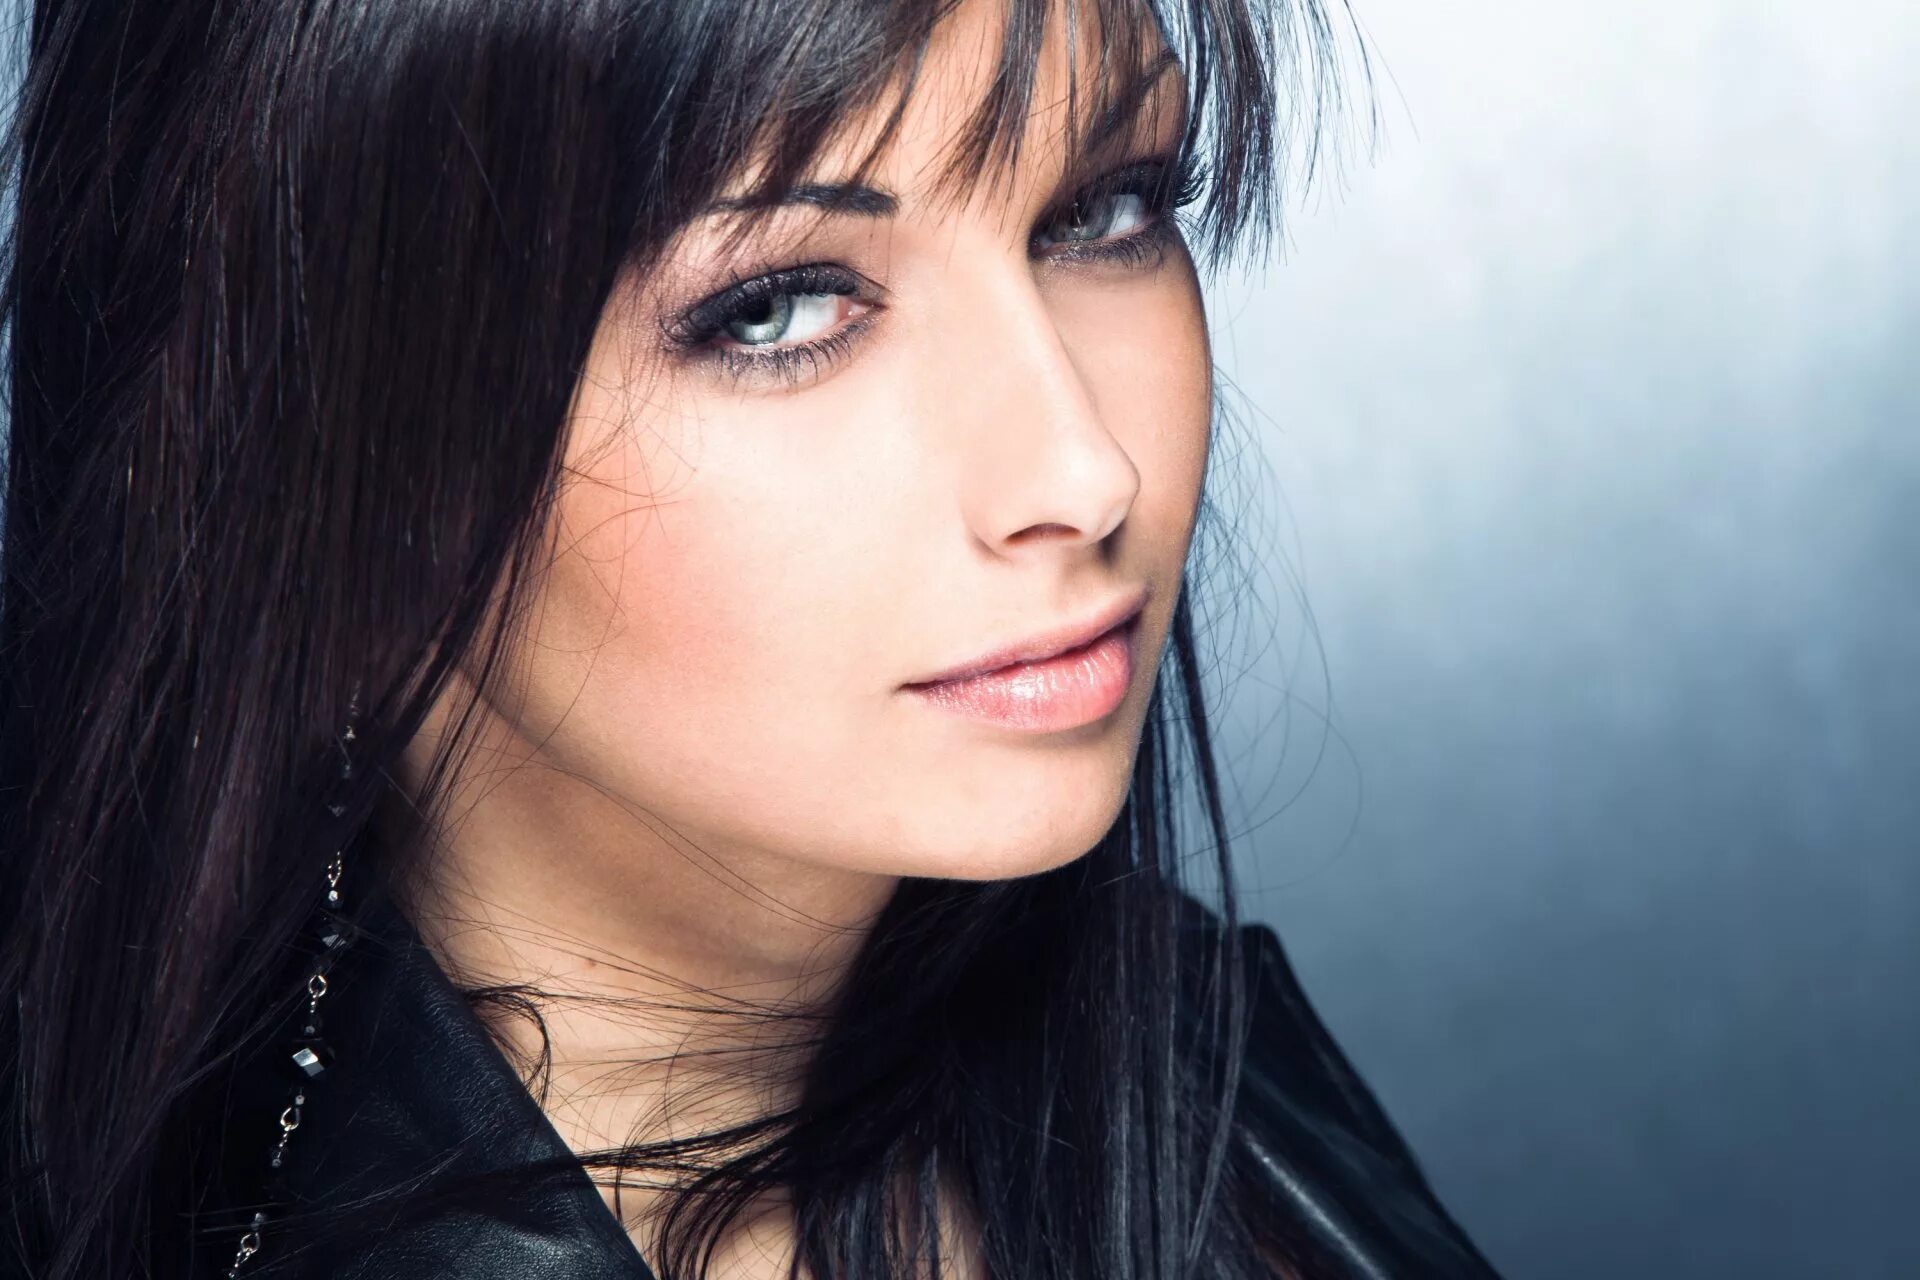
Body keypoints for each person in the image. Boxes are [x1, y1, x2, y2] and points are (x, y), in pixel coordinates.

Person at [0, 0, 1505, 1277]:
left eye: (1103, 209)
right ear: (310, 452)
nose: (1082, 468)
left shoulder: (1208, 1079)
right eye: (777, 309)